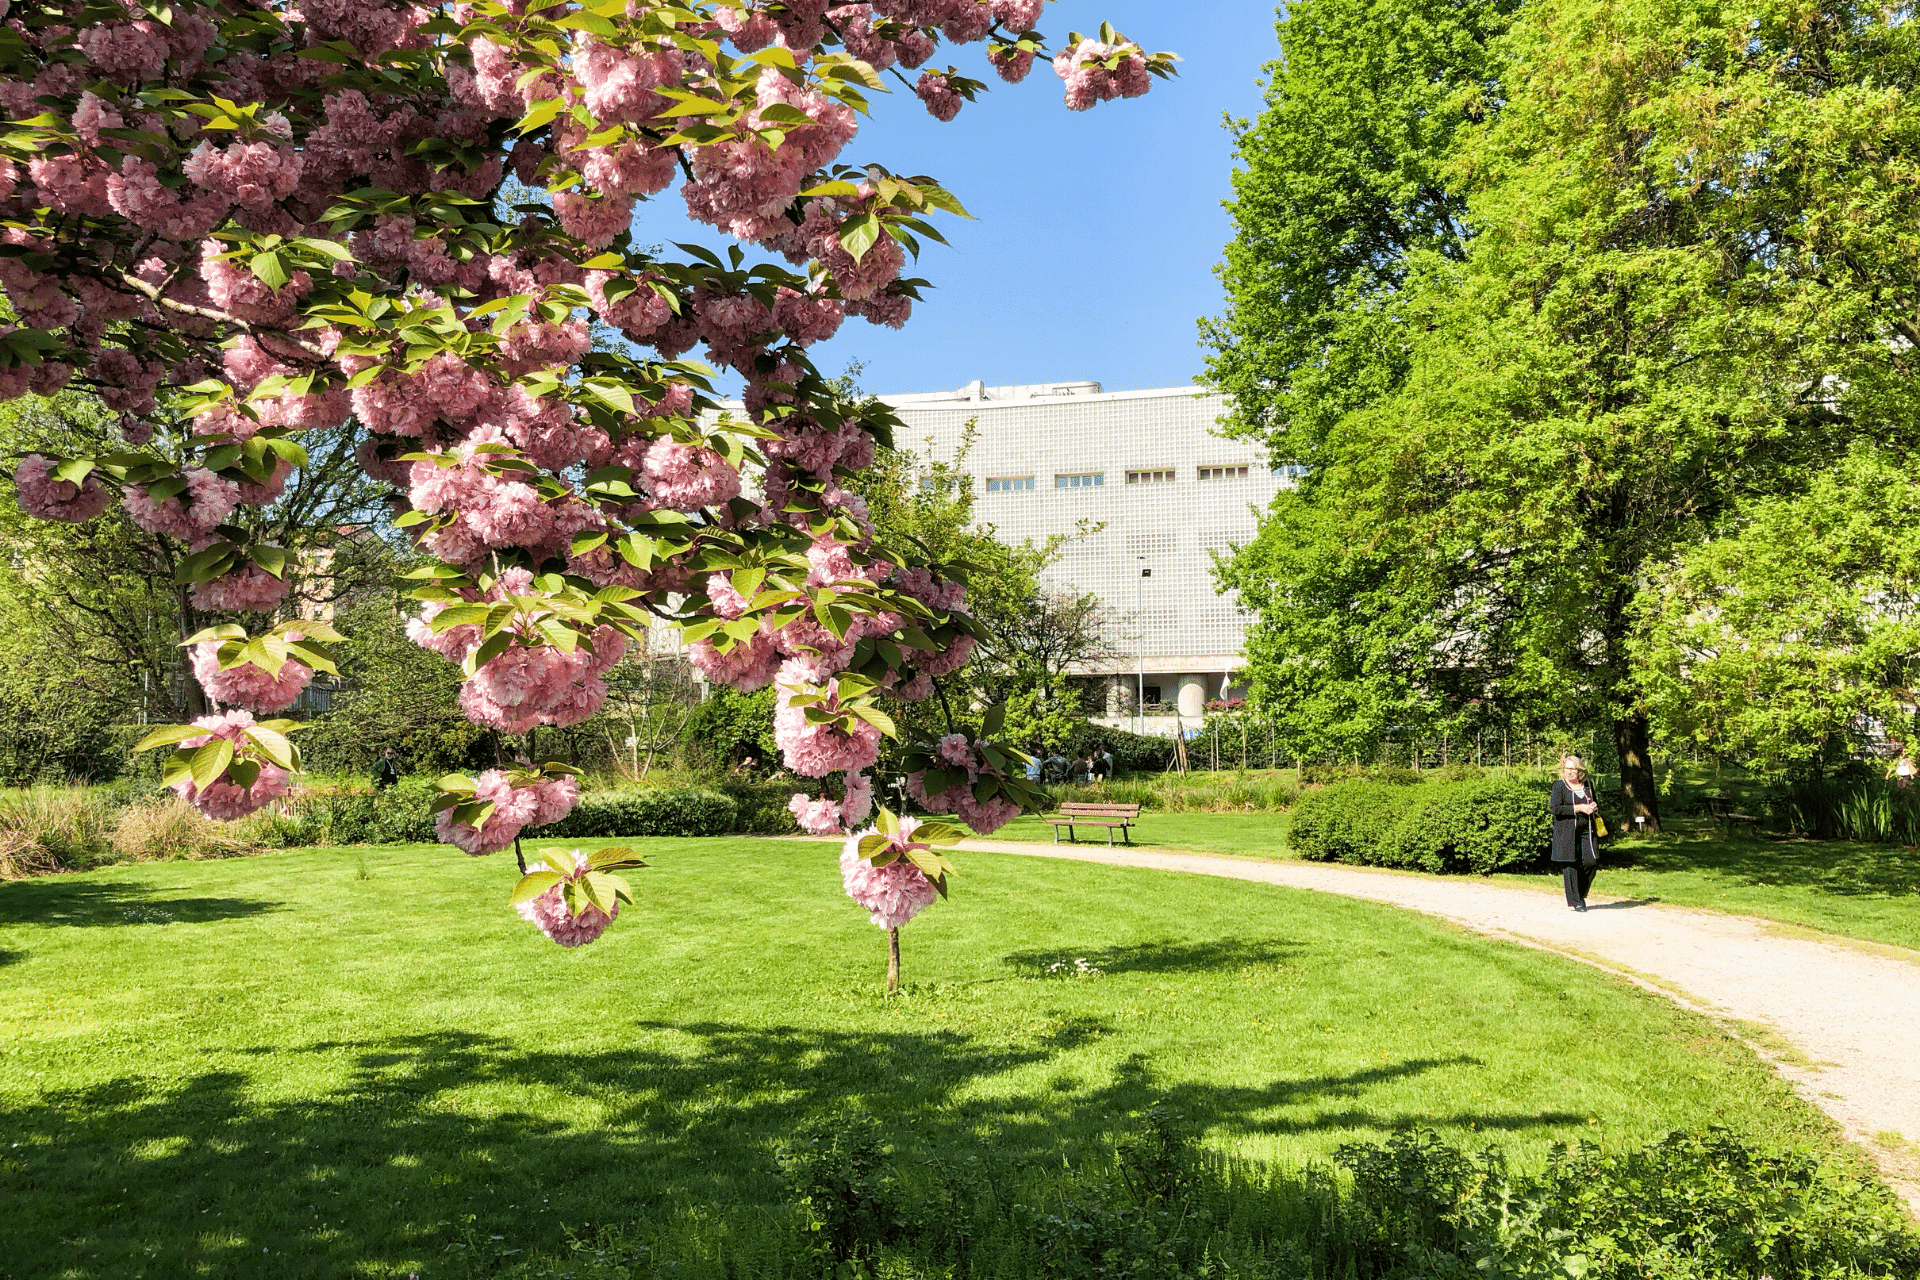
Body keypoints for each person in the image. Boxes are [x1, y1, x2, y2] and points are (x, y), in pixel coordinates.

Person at [1549, 755, 1601, 912]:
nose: (1570, 772)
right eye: (1567, 769)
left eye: (1573, 769)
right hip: (1566, 831)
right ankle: (1575, 901)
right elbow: (1556, 809)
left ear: (1580, 771)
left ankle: (1580, 894)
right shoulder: (1559, 786)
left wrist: (1592, 806)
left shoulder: (1588, 785)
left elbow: (1594, 803)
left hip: (1587, 830)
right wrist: (1579, 808)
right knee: (1570, 864)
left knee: (1592, 862)